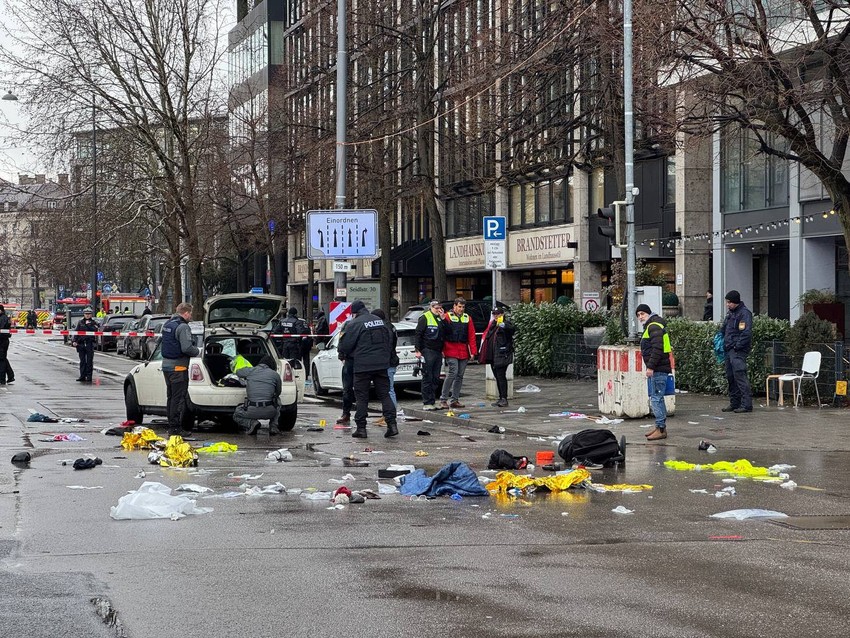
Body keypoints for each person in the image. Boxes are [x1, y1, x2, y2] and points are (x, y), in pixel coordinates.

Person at [338, 300, 398, 439]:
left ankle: (361, 428)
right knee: (385, 394)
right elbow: (389, 341)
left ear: (354, 313)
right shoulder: (379, 321)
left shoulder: (354, 324)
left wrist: (348, 354)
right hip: (382, 364)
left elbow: (345, 346)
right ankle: (392, 425)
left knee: (362, 397)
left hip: (363, 366)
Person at [161, 302, 200, 436]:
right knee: (178, 398)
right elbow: (187, 348)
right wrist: (198, 352)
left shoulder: (168, 324)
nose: (191, 316)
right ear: (186, 313)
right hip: (178, 367)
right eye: (190, 314)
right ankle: (175, 429)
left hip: (166, 367)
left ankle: (172, 426)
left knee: (171, 397)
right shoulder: (183, 327)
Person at [636, 304, 672, 440]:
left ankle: (661, 429)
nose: (640, 317)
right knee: (658, 398)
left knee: (656, 399)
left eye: (642, 314)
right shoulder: (653, 326)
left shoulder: (653, 326)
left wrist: (650, 367)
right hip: (659, 368)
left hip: (658, 369)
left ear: (648, 314)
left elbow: (657, 348)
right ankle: (659, 427)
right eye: (638, 315)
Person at [439, 298, 478, 409]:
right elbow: (442, 333)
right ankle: (443, 399)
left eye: (463, 307)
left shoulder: (467, 318)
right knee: (453, 373)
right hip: (450, 349)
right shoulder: (447, 316)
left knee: (459, 376)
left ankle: (454, 400)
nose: (461, 309)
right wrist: (442, 350)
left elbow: (471, 336)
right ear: (454, 306)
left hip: (463, 351)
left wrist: (473, 352)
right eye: (459, 306)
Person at [721, 290, 753, 413]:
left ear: (735, 302)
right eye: (727, 302)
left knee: (740, 376)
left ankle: (746, 405)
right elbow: (725, 329)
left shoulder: (744, 314)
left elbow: (746, 333)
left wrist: (737, 346)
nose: (727, 305)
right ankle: (734, 403)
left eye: (729, 302)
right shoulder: (730, 314)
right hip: (729, 350)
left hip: (738, 351)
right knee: (731, 377)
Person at [233, 355, 282, 436]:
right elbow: (278, 392)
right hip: (270, 412)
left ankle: (252, 423)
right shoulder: (275, 375)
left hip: (251, 411)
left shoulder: (251, 371)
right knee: (278, 401)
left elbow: (238, 372)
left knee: (236, 414)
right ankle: (273, 426)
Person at [479, 307, 514, 407]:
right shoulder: (493, 325)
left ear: (502, 314)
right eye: (494, 314)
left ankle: (504, 398)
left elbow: (512, 329)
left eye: (498, 314)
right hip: (493, 355)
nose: (496, 316)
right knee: (497, 377)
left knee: (501, 376)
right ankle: (501, 398)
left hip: (502, 355)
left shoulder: (505, 324)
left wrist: (503, 325)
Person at [414, 300, 445, 410]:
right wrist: (417, 350)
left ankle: (432, 401)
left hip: (438, 351)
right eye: (436, 308)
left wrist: (443, 319)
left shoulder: (440, 318)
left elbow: (446, 332)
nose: (438, 310)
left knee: (436, 378)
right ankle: (427, 402)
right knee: (428, 376)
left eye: (440, 308)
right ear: (431, 308)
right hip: (428, 350)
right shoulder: (425, 317)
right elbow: (418, 334)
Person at [372, 309, 398, 425]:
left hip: (387, 362)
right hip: (391, 360)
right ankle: (386, 415)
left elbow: (386, 346)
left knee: (389, 390)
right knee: (388, 389)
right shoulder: (390, 326)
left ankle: (390, 416)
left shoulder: (384, 328)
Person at [72, 307, 99, 383]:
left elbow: (95, 330)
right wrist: (74, 341)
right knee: (82, 361)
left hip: (89, 343)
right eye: (86, 314)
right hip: (81, 344)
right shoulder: (80, 322)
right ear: (84, 314)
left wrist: (89, 325)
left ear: (91, 315)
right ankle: (82, 376)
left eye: (89, 314)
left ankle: (89, 376)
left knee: (89, 361)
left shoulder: (94, 323)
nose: (87, 315)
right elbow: (76, 332)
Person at [0, 304, 15, 385]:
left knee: (1, 359)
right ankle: (10, 376)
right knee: (3, 358)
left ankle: (2, 379)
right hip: (3, 340)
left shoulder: (3, 318)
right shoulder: (4, 317)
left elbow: (1, 329)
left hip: (2, 341)